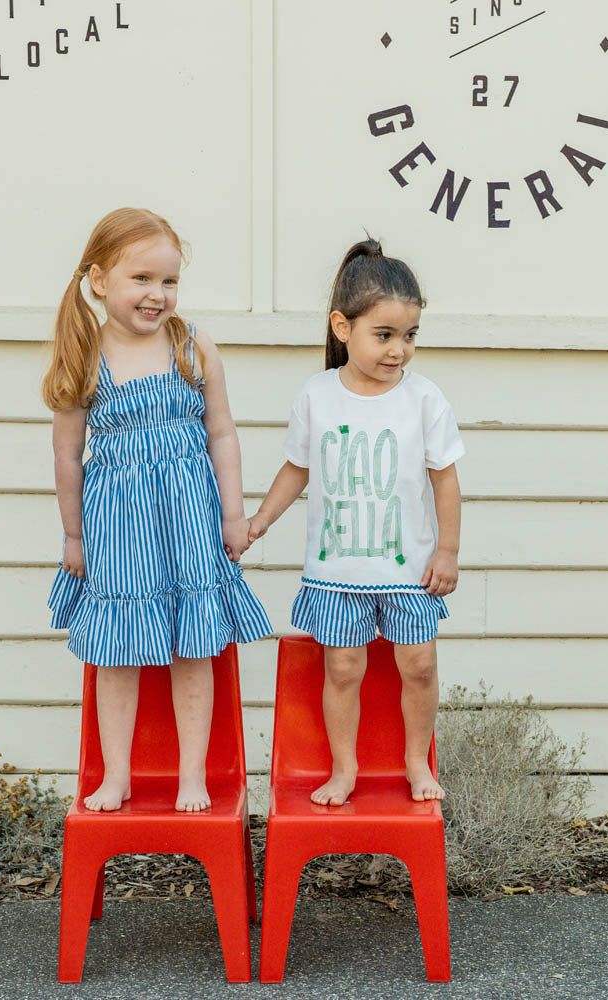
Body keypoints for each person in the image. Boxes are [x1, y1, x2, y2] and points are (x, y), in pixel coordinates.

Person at [43, 207, 271, 813]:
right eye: (141, 279)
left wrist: (232, 513)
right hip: (117, 531)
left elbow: (222, 434)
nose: (157, 294)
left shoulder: (193, 347)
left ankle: (191, 775)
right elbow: (68, 456)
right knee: (117, 655)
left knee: (193, 650)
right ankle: (116, 772)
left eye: (168, 281)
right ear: (99, 281)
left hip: (190, 523)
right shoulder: (84, 357)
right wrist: (73, 536)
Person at [248, 239, 464, 806]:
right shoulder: (318, 395)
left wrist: (448, 552)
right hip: (338, 570)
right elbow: (297, 467)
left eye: (411, 335)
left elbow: (445, 479)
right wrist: (261, 521)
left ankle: (416, 761)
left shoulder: (424, 400)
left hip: (408, 572)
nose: (400, 350)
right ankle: (344, 770)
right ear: (342, 327)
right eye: (385, 335)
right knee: (342, 670)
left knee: (419, 665)